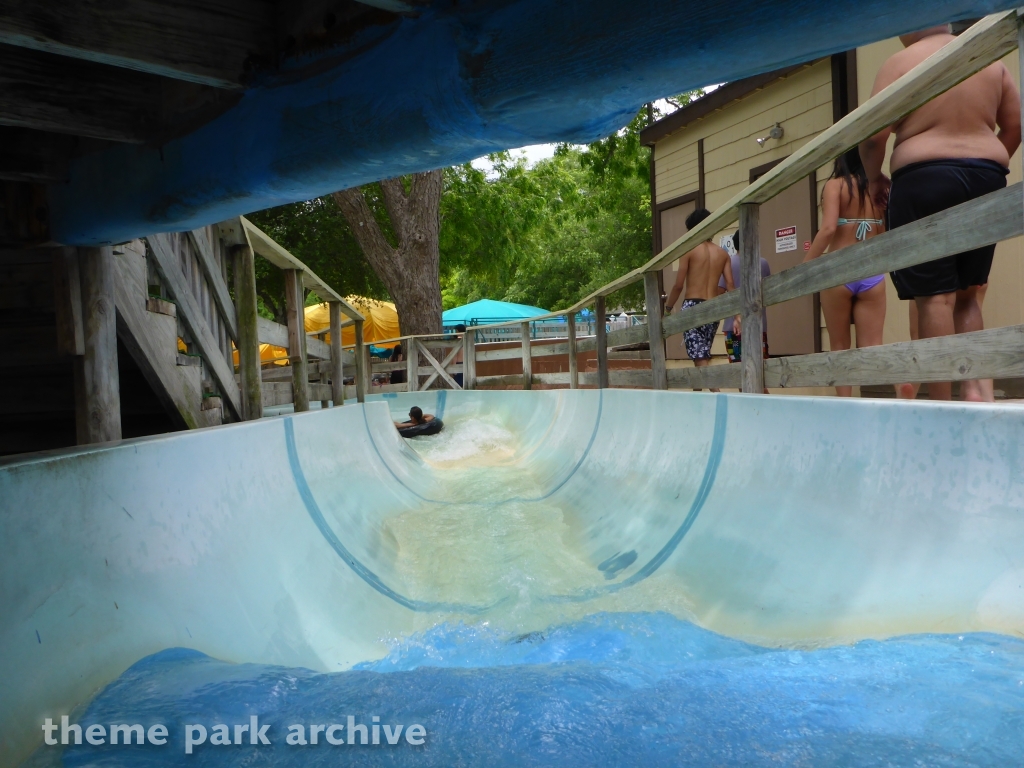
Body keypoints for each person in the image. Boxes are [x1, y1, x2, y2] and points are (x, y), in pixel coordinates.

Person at [860, 23, 1021, 401]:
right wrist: (983, 167)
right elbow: (1015, 126)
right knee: (968, 292)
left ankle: (943, 399)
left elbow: (872, 137)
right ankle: (973, 390)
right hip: (986, 174)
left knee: (935, 297)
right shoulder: (988, 60)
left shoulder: (901, 62)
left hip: (924, 175)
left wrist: (874, 179)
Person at [803, 148, 887, 397]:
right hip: (871, 270)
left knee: (840, 345)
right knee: (873, 346)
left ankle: (845, 400)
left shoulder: (835, 186)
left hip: (838, 272)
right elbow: (882, 232)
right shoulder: (877, 189)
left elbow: (828, 229)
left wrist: (804, 267)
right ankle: (896, 385)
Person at [664, 208, 736, 389]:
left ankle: (717, 393)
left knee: (700, 356)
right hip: (713, 308)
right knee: (701, 354)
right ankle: (698, 394)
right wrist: (737, 315)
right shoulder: (723, 254)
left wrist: (667, 308)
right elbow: (730, 286)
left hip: (692, 307)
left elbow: (678, 285)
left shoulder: (688, 249)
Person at [720, 230, 770, 368]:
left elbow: (719, 292)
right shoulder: (763, 263)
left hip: (732, 325)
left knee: (738, 370)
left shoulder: (728, 263)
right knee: (760, 369)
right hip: (759, 323)